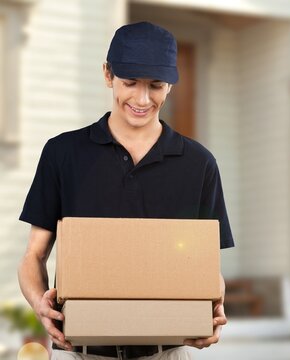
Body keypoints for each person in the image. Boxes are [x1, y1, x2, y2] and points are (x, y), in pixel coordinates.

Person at [17, 21, 234, 359]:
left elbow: (207, 269)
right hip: (80, 351)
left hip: (166, 352)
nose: (142, 99)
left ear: (170, 86)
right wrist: (39, 303)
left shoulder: (198, 164)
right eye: (130, 82)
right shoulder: (63, 154)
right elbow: (34, 255)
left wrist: (215, 305)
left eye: (156, 85)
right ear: (108, 75)